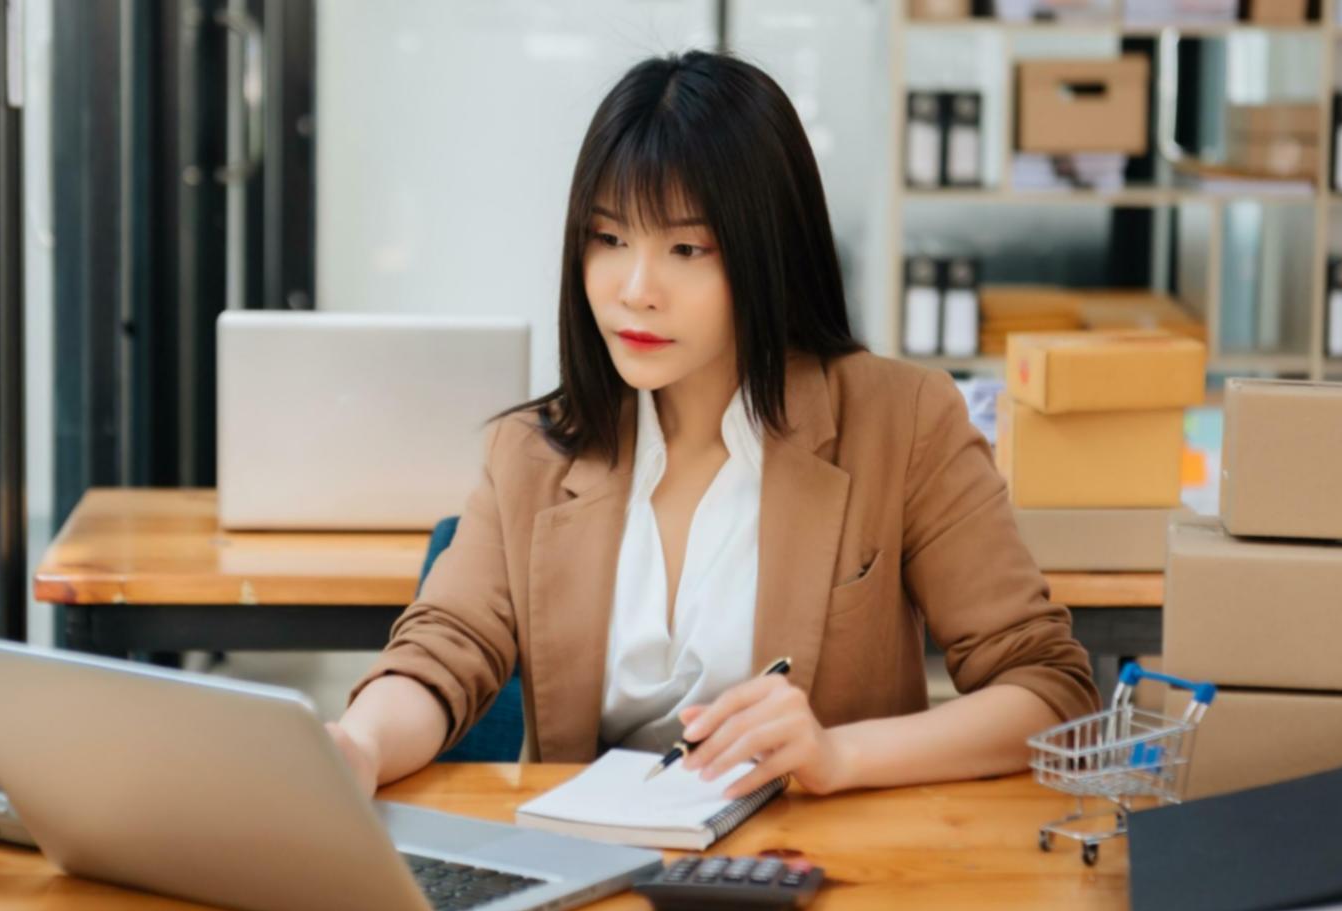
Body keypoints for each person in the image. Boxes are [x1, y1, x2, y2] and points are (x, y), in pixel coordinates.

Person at [329, 50, 1097, 801]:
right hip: (599, 882)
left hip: (826, 879)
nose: (635, 290)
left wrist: (836, 754)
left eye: (685, 248)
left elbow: (1048, 690)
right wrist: (356, 745)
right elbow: (440, 655)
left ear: (769, 254)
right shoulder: (531, 452)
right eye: (609, 239)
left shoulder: (903, 421)